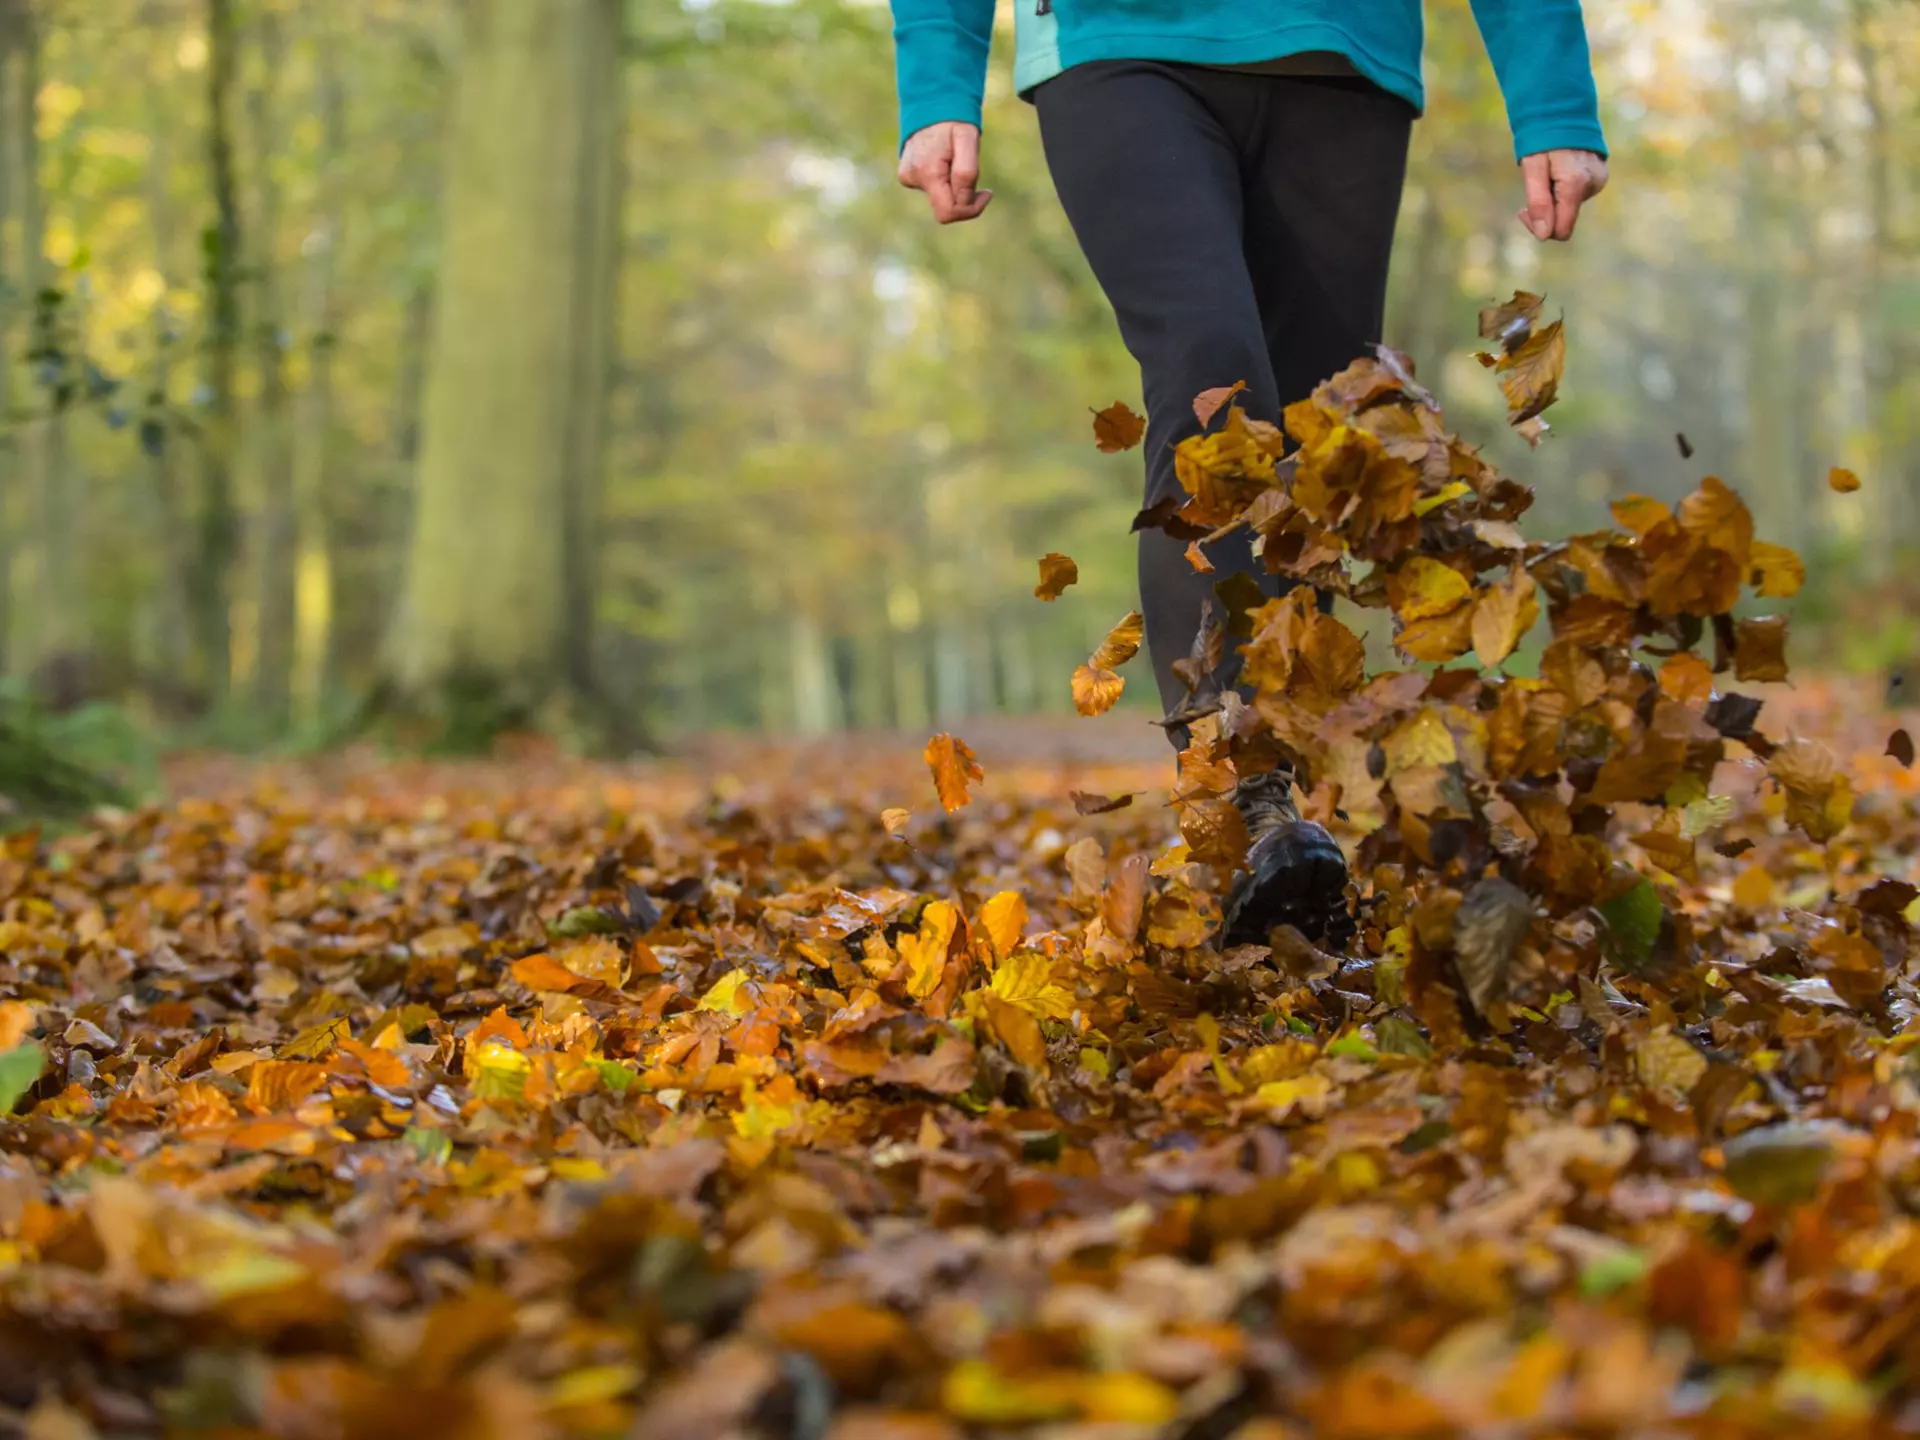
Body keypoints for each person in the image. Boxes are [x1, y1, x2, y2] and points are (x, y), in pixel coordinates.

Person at [889, 0, 1608, 947]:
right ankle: (1242, 799)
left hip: (1343, 57)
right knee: (1211, 392)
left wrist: (1551, 99)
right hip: (1124, 46)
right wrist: (941, 77)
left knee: (1314, 442)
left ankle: (1290, 825)